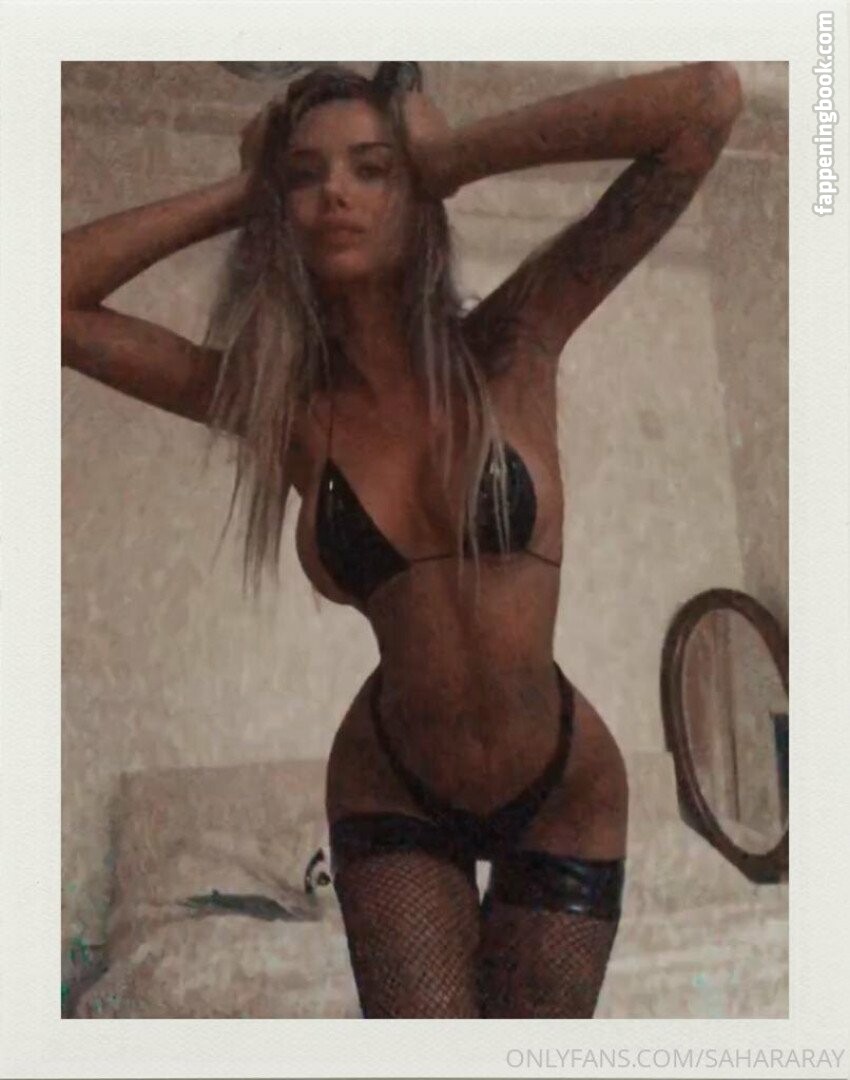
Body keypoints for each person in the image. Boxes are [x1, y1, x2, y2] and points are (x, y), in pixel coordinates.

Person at [62, 60, 743, 1018]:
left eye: (372, 167)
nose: (335, 192)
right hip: (393, 785)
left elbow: (707, 104)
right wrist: (245, 192)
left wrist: (455, 155)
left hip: (563, 784)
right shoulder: (285, 407)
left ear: (414, 191)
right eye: (305, 175)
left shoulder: (515, 341)